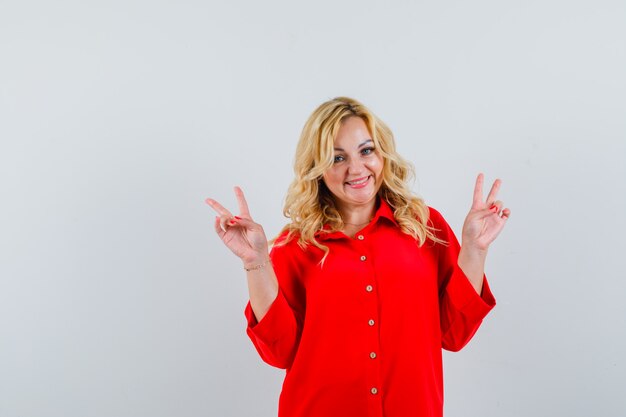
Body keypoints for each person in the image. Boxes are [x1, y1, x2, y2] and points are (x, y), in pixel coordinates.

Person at [206, 97, 510, 417]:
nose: (356, 168)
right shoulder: (296, 245)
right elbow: (279, 352)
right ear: (317, 169)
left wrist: (475, 251)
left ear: (382, 154)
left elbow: (454, 333)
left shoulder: (425, 226)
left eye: (366, 150)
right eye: (337, 158)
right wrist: (255, 262)